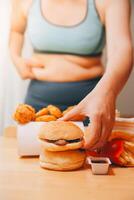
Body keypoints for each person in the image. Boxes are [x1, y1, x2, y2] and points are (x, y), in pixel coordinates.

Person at [9, 0, 133, 150]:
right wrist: (16, 57)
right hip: (37, 104)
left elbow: (121, 48)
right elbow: (16, 30)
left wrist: (108, 93)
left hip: (92, 103)